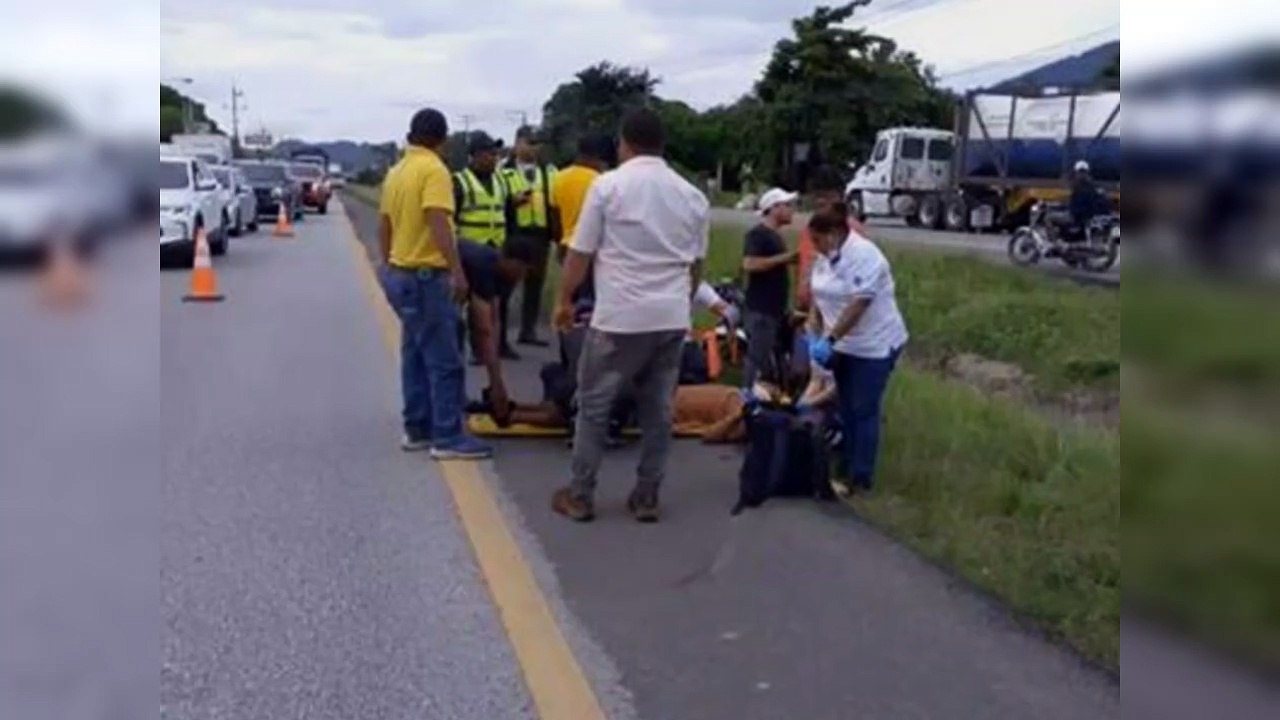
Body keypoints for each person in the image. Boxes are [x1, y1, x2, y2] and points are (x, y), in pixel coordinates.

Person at [550, 108, 710, 523]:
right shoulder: (693, 196)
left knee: (594, 406)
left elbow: (580, 252)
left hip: (619, 318)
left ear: (624, 143)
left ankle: (581, 494)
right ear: (662, 145)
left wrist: (564, 300)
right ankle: (646, 496)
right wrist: (682, 303)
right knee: (658, 411)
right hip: (671, 318)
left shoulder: (608, 187)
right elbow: (696, 266)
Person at [377, 108, 492, 459]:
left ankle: (418, 428)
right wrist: (457, 270)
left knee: (414, 355)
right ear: (442, 140)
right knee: (445, 360)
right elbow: (438, 219)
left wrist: (388, 266)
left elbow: (385, 224)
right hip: (426, 276)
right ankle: (447, 436)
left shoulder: (397, 171)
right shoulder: (434, 170)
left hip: (400, 272)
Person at [804, 202, 908, 495]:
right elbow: (818, 296)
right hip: (842, 343)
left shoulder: (865, 255)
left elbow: (858, 303)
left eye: (818, 240)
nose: (815, 247)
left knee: (863, 409)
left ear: (835, 233)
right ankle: (844, 464)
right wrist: (814, 331)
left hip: (873, 344)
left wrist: (831, 339)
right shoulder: (827, 256)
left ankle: (861, 477)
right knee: (845, 406)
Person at [453, 131, 521, 359]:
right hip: (469, 251)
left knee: (498, 300)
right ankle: (477, 348)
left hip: (496, 250)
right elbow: (450, 219)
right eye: (488, 154)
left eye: (495, 153)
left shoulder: (501, 181)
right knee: (473, 302)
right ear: (473, 156)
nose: (493, 158)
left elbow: (508, 214)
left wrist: (510, 246)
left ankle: (498, 345)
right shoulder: (460, 182)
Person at [457, 235, 537, 424]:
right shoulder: (482, 265)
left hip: (457, 286)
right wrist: (497, 384)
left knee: (456, 339)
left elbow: (496, 320)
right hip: (433, 273)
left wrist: (496, 381)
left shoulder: (508, 274)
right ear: (505, 258)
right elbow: (483, 328)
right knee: (449, 346)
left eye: (527, 271)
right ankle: (443, 412)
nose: (522, 275)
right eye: (520, 268)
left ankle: (457, 402)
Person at [500, 126, 559, 348]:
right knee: (506, 285)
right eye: (530, 142)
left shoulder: (550, 171)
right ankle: (501, 335)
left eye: (537, 144)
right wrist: (511, 203)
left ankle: (528, 330)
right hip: (514, 233)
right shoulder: (503, 171)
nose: (534, 148)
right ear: (517, 143)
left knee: (536, 283)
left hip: (540, 235)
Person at [742, 187, 799, 386]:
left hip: (775, 310)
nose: (793, 210)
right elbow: (749, 264)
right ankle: (748, 398)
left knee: (773, 358)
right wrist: (787, 258)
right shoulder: (758, 234)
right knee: (757, 358)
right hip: (761, 309)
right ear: (773, 208)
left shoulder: (776, 236)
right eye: (787, 205)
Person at [1068, 160, 1111, 234]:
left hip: (1080, 217)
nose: (1080, 174)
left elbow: (1077, 205)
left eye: (1082, 172)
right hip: (1085, 216)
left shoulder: (1081, 187)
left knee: (1051, 218)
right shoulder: (1090, 186)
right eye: (1080, 172)